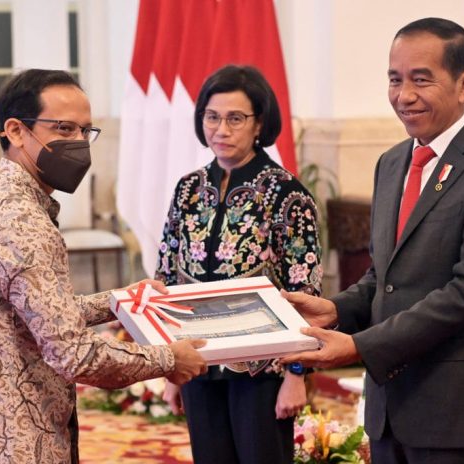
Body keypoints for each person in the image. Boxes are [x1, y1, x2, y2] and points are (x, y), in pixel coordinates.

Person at [281, 18, 464, 463]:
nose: (404, 95)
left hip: (453, 408)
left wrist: (360, 346)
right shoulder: (392, 163)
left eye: (421, 80)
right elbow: (386, 276)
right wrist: (338, 309)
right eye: (395, 80)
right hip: (388, 406)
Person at [0, 69, 208, 464]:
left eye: (85, 131)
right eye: (63, 128)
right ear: (16, 130)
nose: (78, 143)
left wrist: (120, 300)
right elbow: (73, 354)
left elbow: (33, 315)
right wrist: (169, 359)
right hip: (16, 441)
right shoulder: (20, 221)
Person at [156, 64, 322, 464]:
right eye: (212, 117)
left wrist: (296, 375)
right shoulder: (188, 189)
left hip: (262, 371)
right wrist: (169, 366)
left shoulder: (286, 193)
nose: (221, 129)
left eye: (235, 118)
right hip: (197, 362)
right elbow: (166, 277)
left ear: (259, 123)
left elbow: (306, 292)